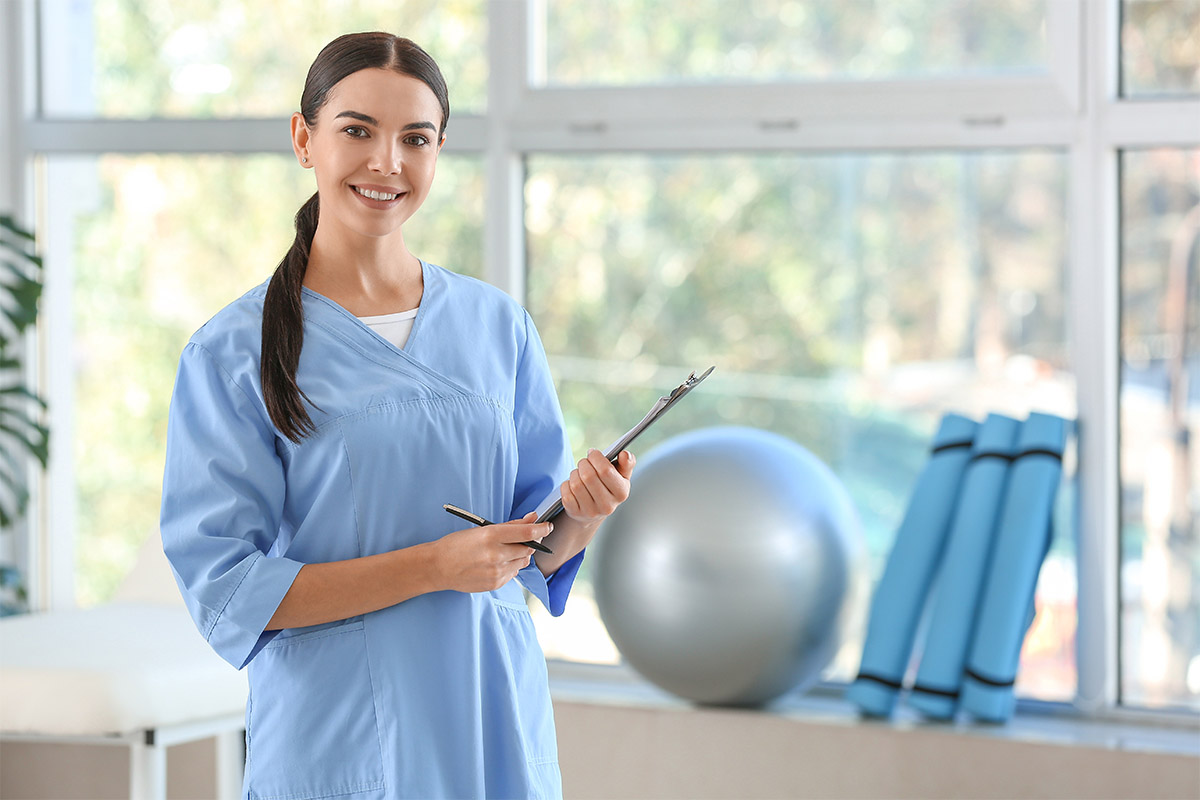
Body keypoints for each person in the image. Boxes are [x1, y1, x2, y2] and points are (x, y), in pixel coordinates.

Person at [160, 32, 635, 800]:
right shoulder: (231, 351)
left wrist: (583, 514)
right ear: (303, 138)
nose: (387, 162)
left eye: (415, 138)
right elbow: (228, 589)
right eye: (357, 130)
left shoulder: (496, 324)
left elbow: (533, 551)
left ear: (440, 150)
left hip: (491, 715)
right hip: (341, 735)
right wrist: (435, 567)